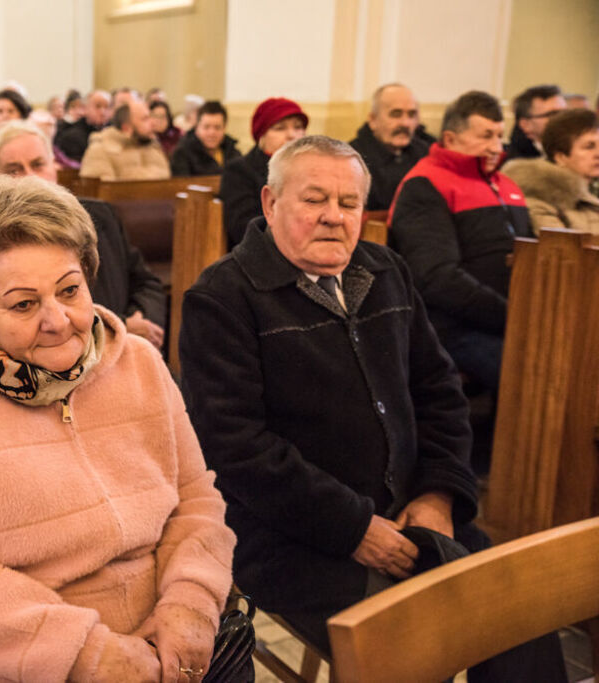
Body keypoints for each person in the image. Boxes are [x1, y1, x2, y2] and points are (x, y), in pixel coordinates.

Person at [179, 135, 567, 682]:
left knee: (522, 614)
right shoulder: (223, 297)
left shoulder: (386, 271)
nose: (334, 217)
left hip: (413, 514)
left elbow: (439, 392)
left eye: (349, 203)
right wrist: (354, 527)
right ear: (270, 203)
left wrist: (438, 496)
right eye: (314, 200)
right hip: (291, 537)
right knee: (411, 639)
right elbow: (235, 448)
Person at [0, 174, 235, 680]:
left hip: (158, 643)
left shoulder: (139, 363)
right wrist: (88, 654)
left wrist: (190, 603)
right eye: (23, 303)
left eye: (70, 290)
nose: (58, 320)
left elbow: (195, 498)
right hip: (7, 661)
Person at [389, 91, 532, 393]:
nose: (496, 147)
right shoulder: (425, 185)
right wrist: (511, 316)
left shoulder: (507, 185)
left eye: (499, 136)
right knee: (534, 370)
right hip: (453, 328)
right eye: (485, 136)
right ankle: (512, 442)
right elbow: (436, 277)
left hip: (513, 319)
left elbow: (534, 257)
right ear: (451, 139)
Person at [0, 120, 166, 347]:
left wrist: (144, 320)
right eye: (14, 170)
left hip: (125, 351)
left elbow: (146, 283)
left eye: (38, 164)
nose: (30, 177)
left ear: (55, 167)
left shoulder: (101, 215)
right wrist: (120, 327)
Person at [219, 97, 307, 249]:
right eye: (280, 128)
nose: (292, 135)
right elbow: (244, 229)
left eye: (298, 127)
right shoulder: (240, 171)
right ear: (262, 135)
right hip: (261, 254)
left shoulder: (310, 170)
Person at [504, 108, 599, 234]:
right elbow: (559, 250)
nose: (597, 153)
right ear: (561, 157)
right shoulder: (539, 199)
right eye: (589, 147)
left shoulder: (590, 194)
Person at [349, 83, 430, 210]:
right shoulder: (353, 159)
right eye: (396, 114)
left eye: (411, 115)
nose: (405, 123)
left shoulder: (426, 153)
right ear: (373, 120)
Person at [79, 100, 170, 181]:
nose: (153, 123)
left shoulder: (153, 148)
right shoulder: (101, 150)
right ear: (126, 127)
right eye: (145, 119)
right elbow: (101, 191)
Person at [170, 101, 241, 176]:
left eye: (217, 127)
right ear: (197, 127)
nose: (212, 133)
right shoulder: (182, 153)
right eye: (206, 127)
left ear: (224, 128)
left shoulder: (233, 152)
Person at [506, 85, 565, 161]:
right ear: (525, 125)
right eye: (552, 114)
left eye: (565, 113)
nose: (563, 119)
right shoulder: (517, 164)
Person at [54, 89, 111, 164]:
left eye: (107, 107)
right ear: (85, 108)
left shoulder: (115, 132)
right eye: (98, 106)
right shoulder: (72, 137)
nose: (103, 112)